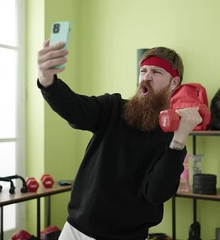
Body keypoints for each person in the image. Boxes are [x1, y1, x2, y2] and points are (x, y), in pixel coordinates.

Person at [37, 40, 203, 240]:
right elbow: (74, 108)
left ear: (174, 83)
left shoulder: (172, 136)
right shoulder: (112, 108)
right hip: (77, 231)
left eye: (156, 72)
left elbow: (157, 194)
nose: (146, 77)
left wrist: (180, 138)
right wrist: (48, 81)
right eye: (143, 71)